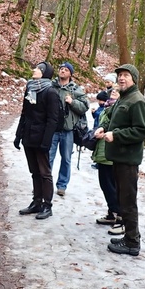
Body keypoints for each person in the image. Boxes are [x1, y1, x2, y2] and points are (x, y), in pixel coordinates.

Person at [94, 64, 145, 256]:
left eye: (126, 75)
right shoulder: (123, 98)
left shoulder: (137, 100)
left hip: (128, 160)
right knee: (122, 199)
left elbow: (142, 131)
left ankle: (132, 243)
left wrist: (115, 135)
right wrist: (104, 127)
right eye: (119, 76)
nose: (121, 78)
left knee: (128, 201)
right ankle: (128, 237)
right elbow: (115, 120)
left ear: (134, 78)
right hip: (117, 158)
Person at [13, 61, 62, 220]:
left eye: (39, 69)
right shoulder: (30, 88)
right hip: (28, 137)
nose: (35, 70)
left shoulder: (51, 92)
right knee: (34, 171)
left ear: (46, 73)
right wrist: (18, 135)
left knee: (44, 173)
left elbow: (52, 120)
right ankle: (37, 202)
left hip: (41, 138)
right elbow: (24, 113)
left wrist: (46, 142)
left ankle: (47, 205)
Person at [48, 62, 89, 196]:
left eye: (66, 70)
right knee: (48, 157)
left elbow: (85, 106)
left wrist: (72, 102)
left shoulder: (76, 89)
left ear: (71, 74)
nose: (63, 71)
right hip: (52, 129)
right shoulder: (51, 86)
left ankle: (62, 186)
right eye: (61, 69)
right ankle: (44, 183)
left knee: (66, 159)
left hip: (68, 130)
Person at [92, 88, 120, 226]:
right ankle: (111, 213)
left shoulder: (119, 107)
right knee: (105, 184)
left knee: (110, 185)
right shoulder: (107, 106)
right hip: (102, 150)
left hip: (110, 152)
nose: (114, 91)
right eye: (113, 90)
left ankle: (117, 214)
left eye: (117, 90)